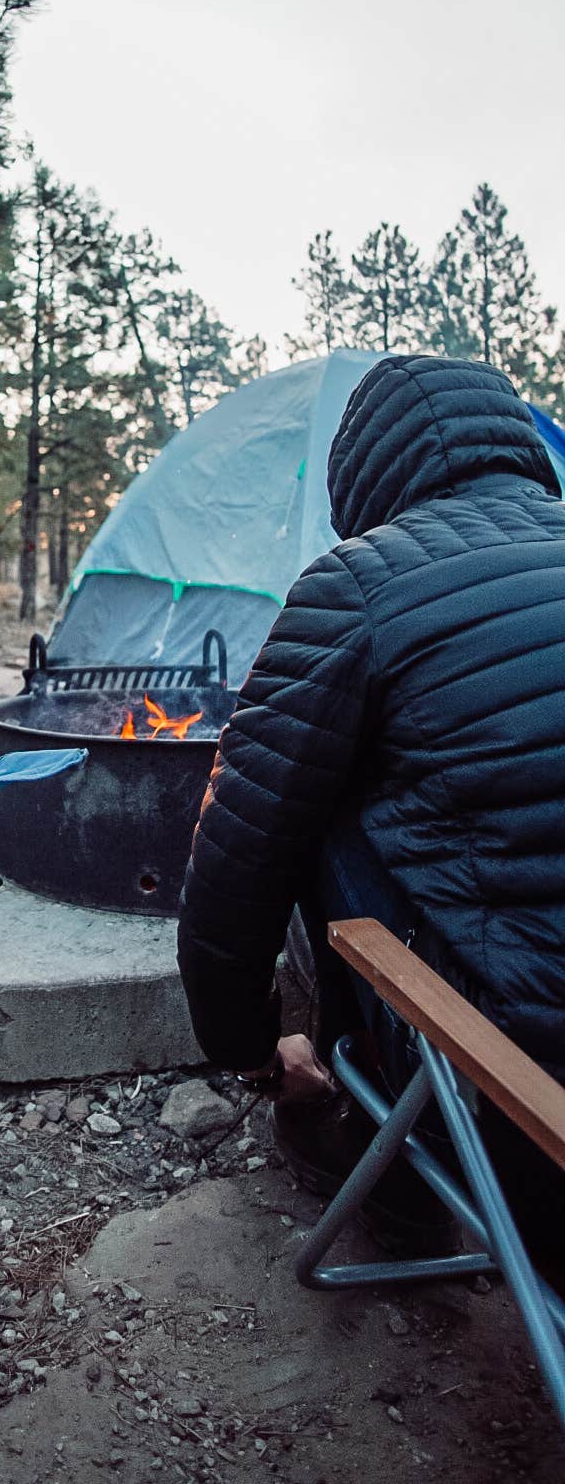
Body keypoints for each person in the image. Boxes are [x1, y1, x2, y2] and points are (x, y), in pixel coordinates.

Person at [177, 352, 565, 1259]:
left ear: (361, 484)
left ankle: (383, 1157)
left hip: (525, 1110)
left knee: (313, 801)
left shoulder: (357, 583)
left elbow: (239, 859)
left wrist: (251, 1052)